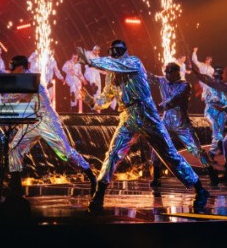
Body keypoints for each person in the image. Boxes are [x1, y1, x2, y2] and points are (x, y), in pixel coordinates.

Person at [81, 40, 209, 213]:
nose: (112, 54)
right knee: (113, 153)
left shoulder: (133, 62)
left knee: (169, 154)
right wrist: (91, 101)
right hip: (127, 116)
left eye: (115, 51)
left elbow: (116, 64)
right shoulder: (111, 73)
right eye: (111, 51)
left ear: (122, 52)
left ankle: (199, 189)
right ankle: (100, 193)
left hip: (146, 113)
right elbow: (105, 98)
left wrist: (90, 61)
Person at [3, 55, 96, 198]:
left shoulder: (29, 79)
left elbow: (12, 97)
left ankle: (90, 175)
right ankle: (15, 186)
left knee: (65, 153)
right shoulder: (24, 78)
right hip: (33, 120)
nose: (12, 72)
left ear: (21, 67)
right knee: (15, 148)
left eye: (13, 69)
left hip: (47, 120)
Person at [147, 62, 219, 192]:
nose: (167, 75)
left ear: (177, 73)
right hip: (166, 121)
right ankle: (156, 177)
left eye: (170, 73)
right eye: (166, 73)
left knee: (196, 149)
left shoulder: (185, 85)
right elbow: (149, 76)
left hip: (182, 123)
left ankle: (211, 172)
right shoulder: (163, 81)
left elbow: (175, 99)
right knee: (157, 146)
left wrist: (160, 106)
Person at [191, 53, 227, 161]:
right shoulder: (208, 86)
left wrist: (222, 101)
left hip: (221, 112)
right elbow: (204, 97)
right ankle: (212, 153)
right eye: (216, 75)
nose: (217, 77)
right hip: (210, 110)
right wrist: (212, 98)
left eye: (218, 75)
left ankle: (220, 148)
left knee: (219, 133)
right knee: (216, 131)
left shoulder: (224, 87)